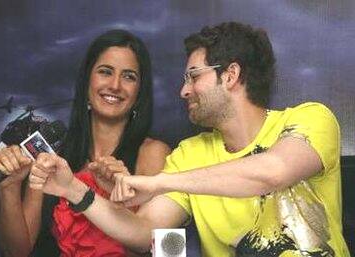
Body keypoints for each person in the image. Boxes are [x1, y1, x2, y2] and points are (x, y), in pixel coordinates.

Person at [29, 22, 351, 257]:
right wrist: (74, 189)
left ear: (230, 75)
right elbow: (144, 234)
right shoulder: (190, 153)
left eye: (193, 77)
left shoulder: (310, 119)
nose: (184, 90)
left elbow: (273, 172)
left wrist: (160, 182)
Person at [0, 30, 171, 257]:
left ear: (139, 93)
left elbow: (171, 250)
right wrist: (9, 188)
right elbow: (16, 253)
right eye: (105, 72)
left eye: (129, 76)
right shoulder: (52, 154)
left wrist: (124, 200)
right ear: (87, 82)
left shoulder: (154, 153)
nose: (115, 85)